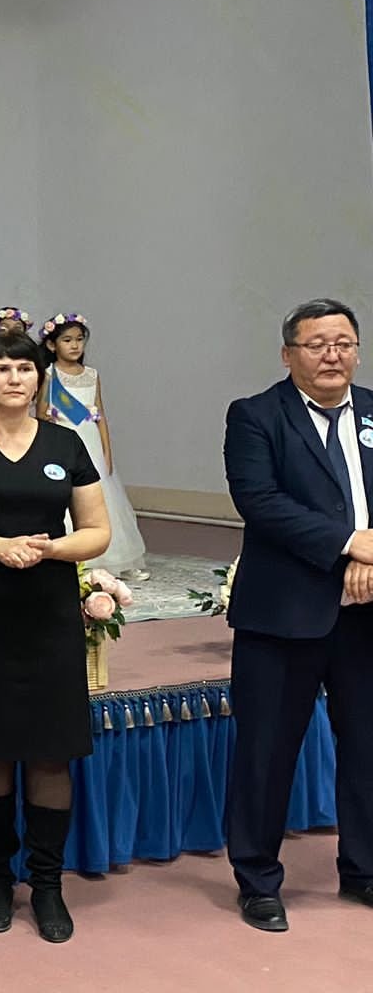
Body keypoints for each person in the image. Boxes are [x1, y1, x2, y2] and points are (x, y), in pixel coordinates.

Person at [0, 328, 109, 945]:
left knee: (49, 750)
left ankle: (47, 884)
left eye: (25, 368)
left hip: (49, 610)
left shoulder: (66, 442)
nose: (14, 378)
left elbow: (96, 531)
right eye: (1, 368)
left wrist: (49, 550)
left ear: (41, 377)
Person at [223, 297, 373, 932]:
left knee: (367, 746)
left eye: (344, 343)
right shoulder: (256, 416)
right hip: (283, 614)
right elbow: (260, 501)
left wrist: (371, 555)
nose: (332, 355)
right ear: (288, 354)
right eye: (317, 344)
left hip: (366, 613)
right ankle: (258, 879)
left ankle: (364, 870)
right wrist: (350, 544)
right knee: (266, 751)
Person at [39, 314, 148, 578]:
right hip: (63, 441)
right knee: (67, 494)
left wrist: (106, 451)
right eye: (67, 340)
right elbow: (40, 413)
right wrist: (50, 417)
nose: (75, 345)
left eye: (79, 339)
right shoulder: (48, 374)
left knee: (103, 497)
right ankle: (74, 558)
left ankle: (115, 559)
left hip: (90, 442)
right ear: (52, 345)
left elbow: (100, 414)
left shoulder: (92, 374)